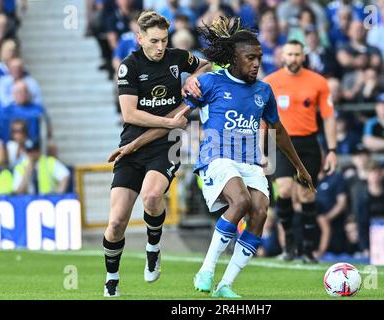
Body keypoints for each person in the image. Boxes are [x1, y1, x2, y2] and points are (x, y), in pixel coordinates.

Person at [108, 16, 315, 298]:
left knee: (260, 212)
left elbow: (279, 133)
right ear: (234, 58)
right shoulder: (209, 84)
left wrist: (300, 168)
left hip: (249, 161)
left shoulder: (264, 91)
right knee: (240, 201)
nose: (256, 63)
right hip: (217, 158)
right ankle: (205, 269)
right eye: (250, 58)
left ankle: (225, 285)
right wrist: (133, 146)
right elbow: (173, 119)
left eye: (259, 58)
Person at [102, 11, 211, 298]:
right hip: (133, 143)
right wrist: (169, 121)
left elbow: (206, 65)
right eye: (153, 41)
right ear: (140, 39)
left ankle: (153, 247)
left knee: (152, 197)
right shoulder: (129, 66)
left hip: (168, 144)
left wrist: (191, 82)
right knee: (116, 222)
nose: (160, 46)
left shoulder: (177, 58)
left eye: (164, 39)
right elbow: (130, 113)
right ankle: (112, 280)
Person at [263, 39, 337, 263]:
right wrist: (260, 151)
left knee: (306, 194)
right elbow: (261, 120)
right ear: (282, 57)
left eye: (297, 54)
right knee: (284, 189)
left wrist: (332, 149)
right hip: (280, 141)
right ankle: (289, 244)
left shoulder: (318, 82)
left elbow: (328, 117)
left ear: (303, 56)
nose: (293, 58)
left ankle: (307, 248)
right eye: (289, 54)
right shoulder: (270, 83)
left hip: (308, 143)